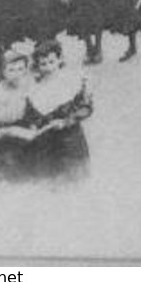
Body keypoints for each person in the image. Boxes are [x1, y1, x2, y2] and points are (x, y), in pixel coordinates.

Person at [23, 38, 94, 182]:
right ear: (37, 65)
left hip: (70, 138)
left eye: (51, 62)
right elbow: (31, 114)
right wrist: (33, 125)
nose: (48, 68)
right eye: (43, 64)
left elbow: (86, 107)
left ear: (60, 60)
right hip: (46, 141)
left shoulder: (71, 82)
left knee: (73, 176)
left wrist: (67, 121)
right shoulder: (35, 88)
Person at [0, 43, 37, 182]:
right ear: (1, 72)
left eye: (21, 69)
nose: (17, 74)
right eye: (11, 70)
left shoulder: (28, 87)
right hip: (0, 148)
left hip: (25, 144)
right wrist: (10, 131)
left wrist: (33, 125)